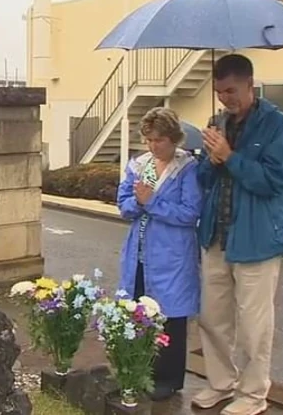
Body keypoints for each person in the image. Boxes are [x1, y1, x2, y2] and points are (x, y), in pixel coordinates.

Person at [193, 54, 283, 415]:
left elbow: (274, 182)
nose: (225, 99)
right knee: (212, 318)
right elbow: (203, 180)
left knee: (254, 326)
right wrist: (210, 157)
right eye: (220, 92)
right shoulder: (216, 122)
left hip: (257, 239)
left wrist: (230, 157)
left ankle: (253, 395)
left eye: (232, 91)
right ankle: (221, 383)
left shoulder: (276, 125)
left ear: (251, 85)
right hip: (216, 235)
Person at [116, 107, 203, 401]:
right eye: (150, 140)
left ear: (174, 139)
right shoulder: (141, 166)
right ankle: (140, 369)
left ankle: (168, 378)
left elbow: (190, 213)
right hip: (140, 252)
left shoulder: (187, 168)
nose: (154, 146)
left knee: (171, 317)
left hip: (173, 253)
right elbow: (125, 203)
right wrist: (138, 203)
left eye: (160, 140)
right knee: (139, 310)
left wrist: (152, 202)